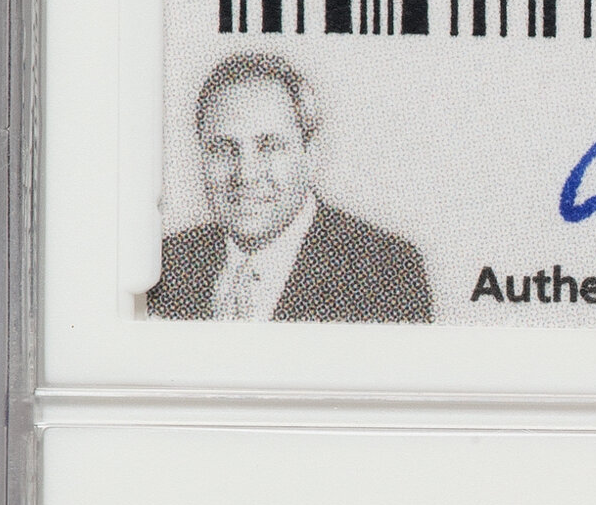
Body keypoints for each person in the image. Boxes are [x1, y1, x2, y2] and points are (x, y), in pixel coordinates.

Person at [152, 53, 432, 321]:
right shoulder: (166, 264)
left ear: (310, 155)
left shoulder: (385, 271)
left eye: (269, 147)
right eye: (223, 149)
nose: (246, 174)